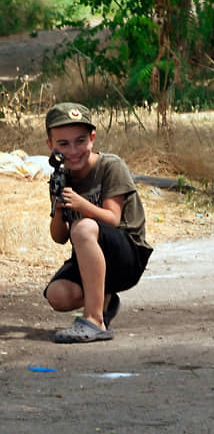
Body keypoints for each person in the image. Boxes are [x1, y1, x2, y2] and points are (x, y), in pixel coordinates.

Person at [42, 102, 153, 343]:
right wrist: (60, 211)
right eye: (63, 144)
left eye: (80, 141)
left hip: (126, 254)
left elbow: (112, 219)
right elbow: (60, 237)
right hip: (89, 257)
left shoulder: (111, 166)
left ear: (92, 138)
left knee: (83, 227)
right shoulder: (60, 177)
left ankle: (94, 320)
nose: (73, 150)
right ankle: (105, 298)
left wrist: (82, 205)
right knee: (57, 295)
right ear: (51, 146)